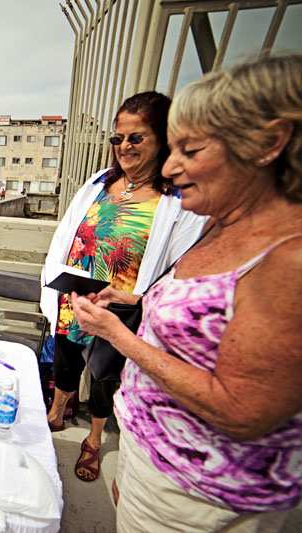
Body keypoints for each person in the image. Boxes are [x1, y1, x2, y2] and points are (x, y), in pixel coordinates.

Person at [72, 54, 302, 531]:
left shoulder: (290, 260)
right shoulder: (225, 222)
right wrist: (133, 301)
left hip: (205, 497)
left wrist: (118, 335)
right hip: (154, 465)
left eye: (191, 151)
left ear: (269, 144)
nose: (171, 167)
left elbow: (241, 410)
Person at [40, 91, 207, 482]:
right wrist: (56, 281)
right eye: (118, 138)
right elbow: (67, 233)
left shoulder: (177, 200)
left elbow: (181, 266)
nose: (124, 147)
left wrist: (137, 300)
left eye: (136, 138)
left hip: (121, 309)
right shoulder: (99, 182)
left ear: (163, 138)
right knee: (66, 360)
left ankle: (95, 439)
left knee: (104, 377)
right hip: (75, 297)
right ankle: (59, 408)